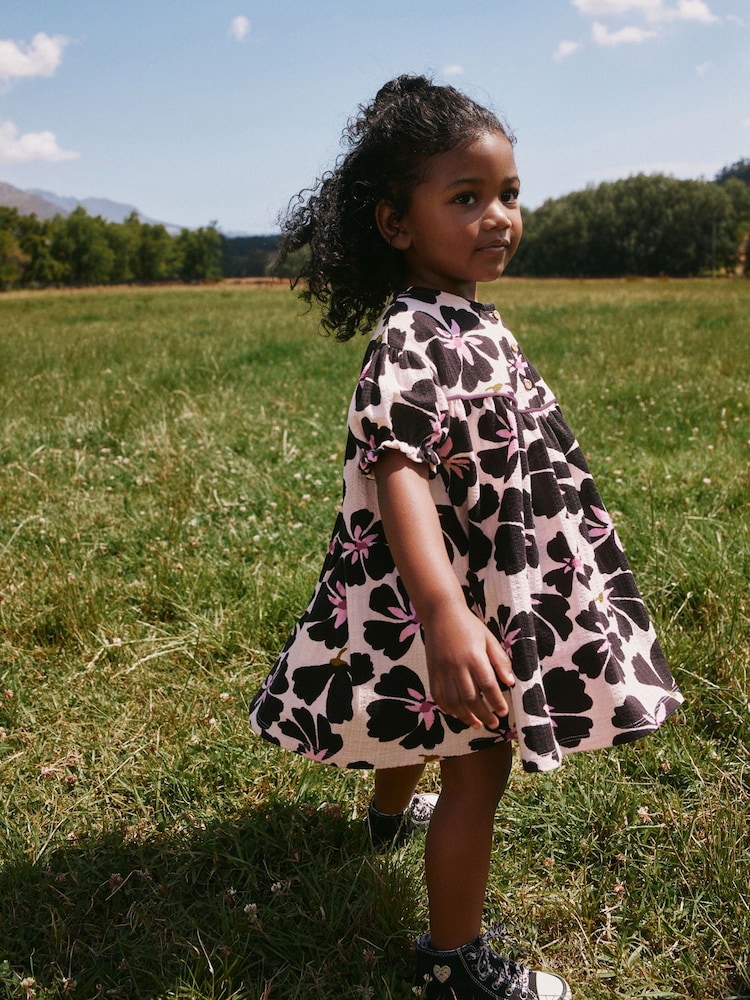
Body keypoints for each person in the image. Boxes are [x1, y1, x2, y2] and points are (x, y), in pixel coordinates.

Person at [248, 74, 683, 1000]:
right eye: (466, 197)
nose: (498, 217)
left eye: (509, 194)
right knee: (476, 766)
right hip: (443, 585)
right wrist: (445, 613)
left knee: (416, 711)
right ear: (397, 224)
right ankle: (453, 963)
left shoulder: (467, 317)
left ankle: (383, 817)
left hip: (468, 573)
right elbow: (397, 465)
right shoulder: (415, 332)